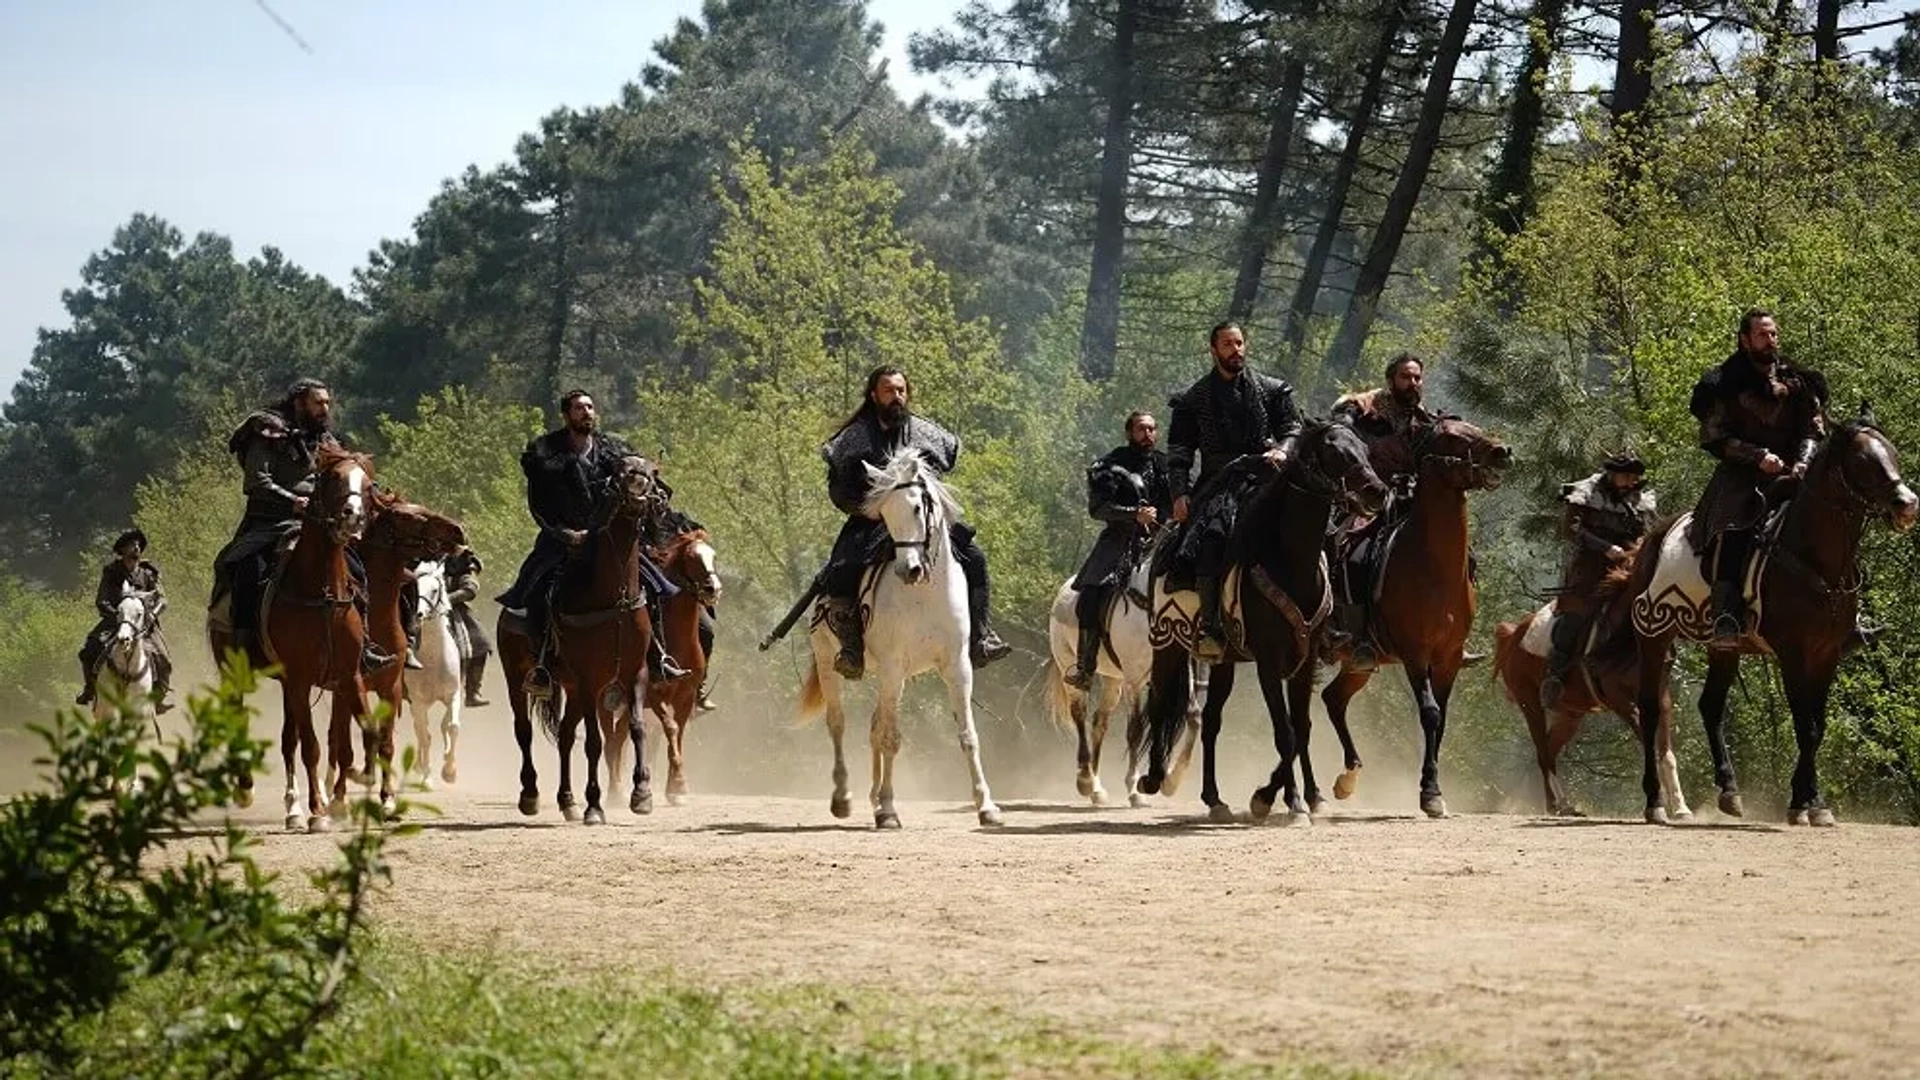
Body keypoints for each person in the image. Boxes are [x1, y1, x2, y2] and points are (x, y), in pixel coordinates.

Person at [817, 365, 1012, 679]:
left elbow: (935, 479)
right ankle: (852, 650)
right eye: (888, 390)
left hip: (922, 522)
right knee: (842, 568)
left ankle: (980, 637)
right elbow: (838, 490)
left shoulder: (925, 434)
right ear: (873, 395)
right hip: (870, 521)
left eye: (900, 390)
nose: (896, 397)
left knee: (975, 558)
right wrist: (867, 509)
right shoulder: (853, 439)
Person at [496, 389, 690, 697]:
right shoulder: (545, 455)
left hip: (609, 541)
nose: (586, 413)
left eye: (589, 407)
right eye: (579, 408)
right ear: (566, 415)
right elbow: (538, 505)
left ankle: (657, 657)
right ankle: (544, 664)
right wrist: (565, 534)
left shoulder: (615, 452)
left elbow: (645, 485)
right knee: (539, 589)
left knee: (654, 587)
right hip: (562, 542)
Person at [210, 378, 397, 674]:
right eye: (318, 403)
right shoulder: (266, 432)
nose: (324, 409)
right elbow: (256, 481)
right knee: (248, 570)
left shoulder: (327, 440)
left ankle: (365, 646)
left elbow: (347, 475)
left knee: (359, 571)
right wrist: (292, 501)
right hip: (271, 524)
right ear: (299, 403)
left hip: (321, 525)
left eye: (327, 403)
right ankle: (243, 648)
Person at [1686, 308, 1830, 647]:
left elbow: (1812, 427)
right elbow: (1714, 436)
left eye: (1774, 334)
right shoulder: (1724, 383)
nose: (1771, 340)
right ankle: (1725, 615)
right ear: (1745, 340)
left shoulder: (1797, 380)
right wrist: (1758, 456)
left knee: (1832, 519)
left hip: (1795, 471)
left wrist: (1804, 461)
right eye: (1763, 335)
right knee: (1735, 528)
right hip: (1741, 476)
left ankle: (1846, 615)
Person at [1164, 322, 1302, 662]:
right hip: (1218, 482)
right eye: (1227, 344)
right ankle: (1211, 628)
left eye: (1239, 343)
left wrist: (1283, 449)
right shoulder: (1192, 400)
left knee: (1316, 530)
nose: (1235, 349)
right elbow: (1179, 454)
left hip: (1267, 477)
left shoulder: (1272, 390)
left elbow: (1294, 428)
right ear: (1213, 350)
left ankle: (1328, 622)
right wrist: (1180, 494)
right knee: (1210, 539)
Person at [1325, 351, 1438, 668]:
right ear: (1391, 380)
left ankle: (1449, 636)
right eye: (1406, 377)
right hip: (1360, 499)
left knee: (1456, 553)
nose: (1412, 383)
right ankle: (1351, 634)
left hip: (1406, 504)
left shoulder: (1424, 420)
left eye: (1417, 377)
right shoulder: (1359, 406)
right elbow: (1338, 441)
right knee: (1348, 555)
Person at [1064, 410, 1171, 689]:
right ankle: (1085, 668)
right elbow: (1098, 508)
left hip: (1161, 540)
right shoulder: (1110, 464)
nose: (1147, 434)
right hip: (1119, 540)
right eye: (1140, 429)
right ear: (1129, 433)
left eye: (1151, 429)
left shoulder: (1166, 465)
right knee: (1091, 596)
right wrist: (1134, 514)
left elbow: (1181, 500)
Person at [1539, 453, 1657, 709]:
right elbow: (1570, 529)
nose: (1631, 482)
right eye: (1627, 476)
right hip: (1588, 568)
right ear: (1613, 473)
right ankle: (1555, 675)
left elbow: (1647, 532)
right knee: (1575, 616)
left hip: (1627, 566)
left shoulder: (1639, 499)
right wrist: (1604, 547)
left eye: (1635, 477)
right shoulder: (1586, 491)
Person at [77, 528, 174, 713]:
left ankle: (158, 698)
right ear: (122, 549)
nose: (136, 547)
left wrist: (151, 615)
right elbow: (101, 601)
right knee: (89, 650)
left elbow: (162, 599)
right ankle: (89, 690)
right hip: (114, 620)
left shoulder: (149, 572)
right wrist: (120, 617)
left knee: (163, 659)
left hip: (145, 624)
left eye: (138, 544)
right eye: (131, 544)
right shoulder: (111, 572)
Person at [442, 546, 493, 708]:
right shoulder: (419, 550)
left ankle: (472, 692)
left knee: (480, 641)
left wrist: (445, 600)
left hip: (451, 607)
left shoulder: (463, 558)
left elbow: (470, 587)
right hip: (419, 604)